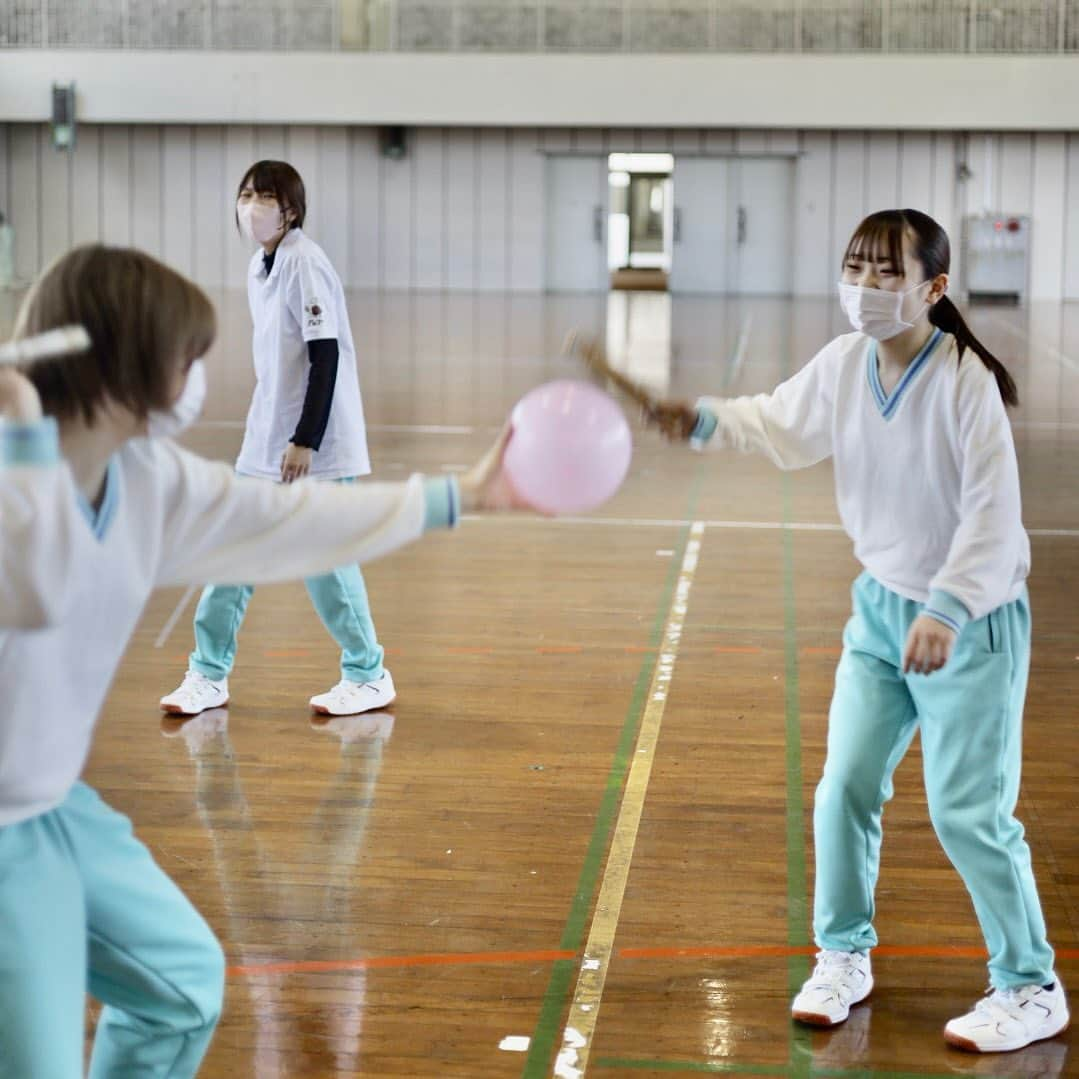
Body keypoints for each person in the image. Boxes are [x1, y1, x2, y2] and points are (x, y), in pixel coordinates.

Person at [0, 244, 522, 1077]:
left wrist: (456, 497)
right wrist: (19, 438)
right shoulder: (13, 466)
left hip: (54, 805)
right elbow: (33, 587)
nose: (201, 374)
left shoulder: (147, 478)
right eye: (188, 356)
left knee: (181, 987)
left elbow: (284, 521)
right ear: (125, 358)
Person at [648, 208, 1067, 1054]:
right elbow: (776, 422)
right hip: (879, 613)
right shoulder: (844, 366)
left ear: (932, 288)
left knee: (968, 813)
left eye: (886, 272)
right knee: (841, 788)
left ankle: (1030, 983)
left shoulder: (961, 380)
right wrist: (698, 418)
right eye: (855, 268)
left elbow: (993, 510)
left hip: (968, 622)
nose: (866, 288)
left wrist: (947, 608)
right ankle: (842, 953)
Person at [162, 160, 392, 719]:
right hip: (265, 437)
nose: (252, 206)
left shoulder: (304, 264)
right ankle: (207, 674)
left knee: (326, 559)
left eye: (265, 196)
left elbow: (325, 354)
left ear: (290, 209)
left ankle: (368, 674)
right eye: (245, 194)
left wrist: (304, 440)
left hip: (312, 442)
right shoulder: (259, 267)